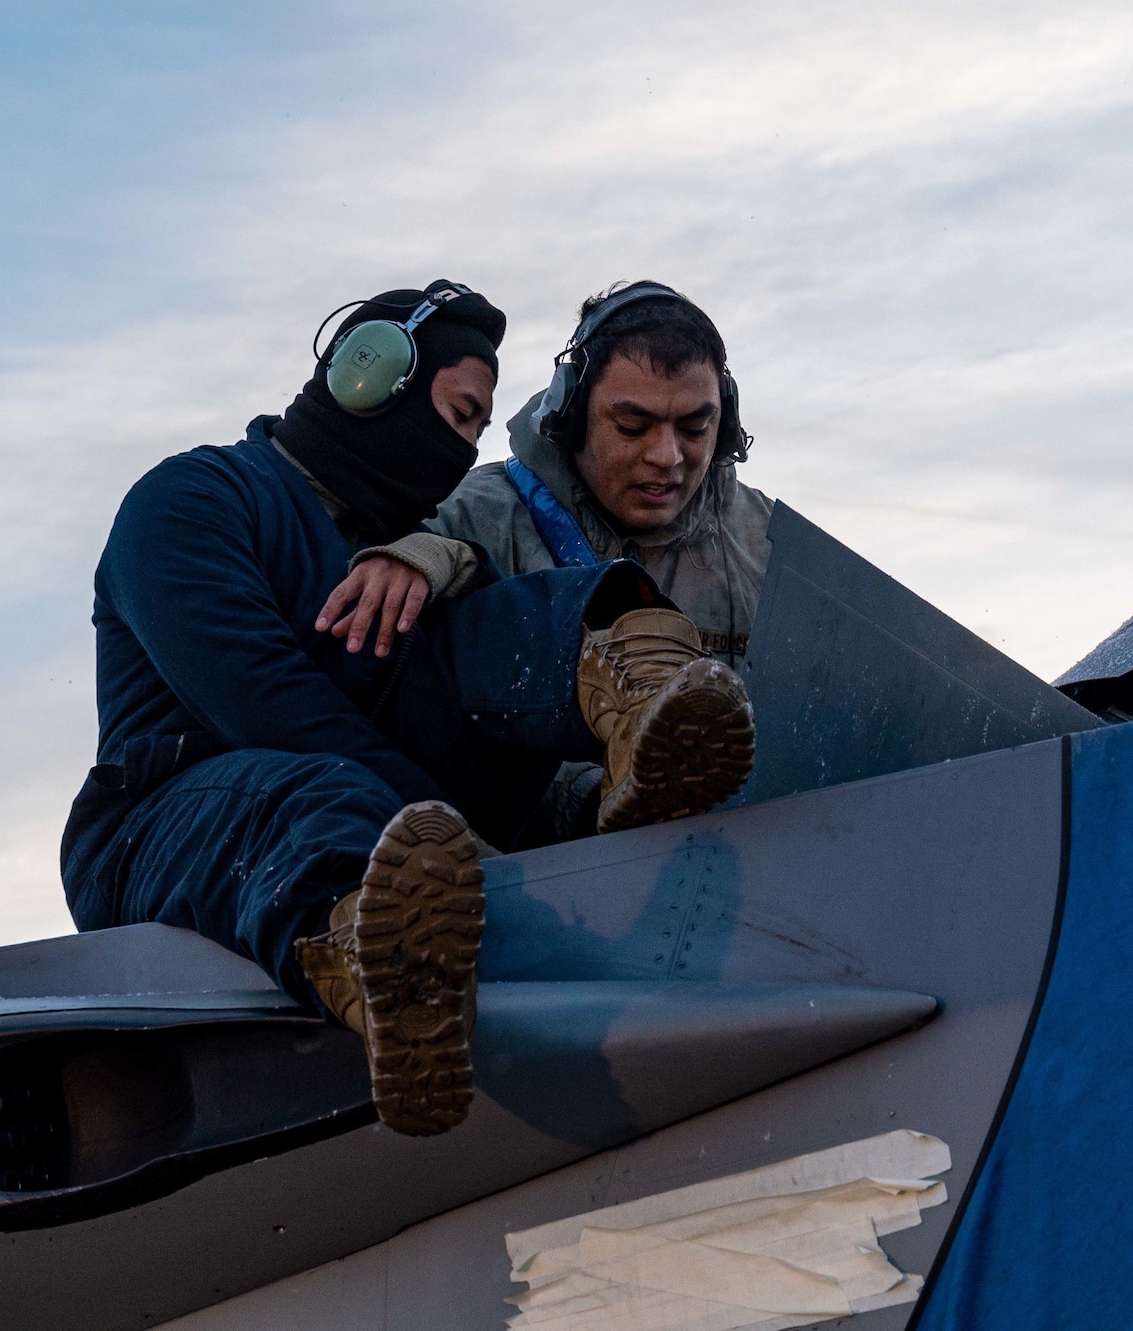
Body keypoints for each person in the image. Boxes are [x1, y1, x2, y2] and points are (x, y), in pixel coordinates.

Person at [60, 280, 756, 1140]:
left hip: (358, 795)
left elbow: (459, 696)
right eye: (458, 415)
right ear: (369, 379)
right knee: (314, 795)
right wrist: (461, 837)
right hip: (162, 816)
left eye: (476, 430)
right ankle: (383, 960)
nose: (461, 450)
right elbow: (264, 703)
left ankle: (639, 701)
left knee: (494, 628)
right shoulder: (195, 497)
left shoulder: (392, 545)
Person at [316, 282, 774, 841]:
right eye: (632, 427)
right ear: (571, 413)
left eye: (695, 427)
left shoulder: (769, 544)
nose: (667, 457)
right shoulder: (463, 522)